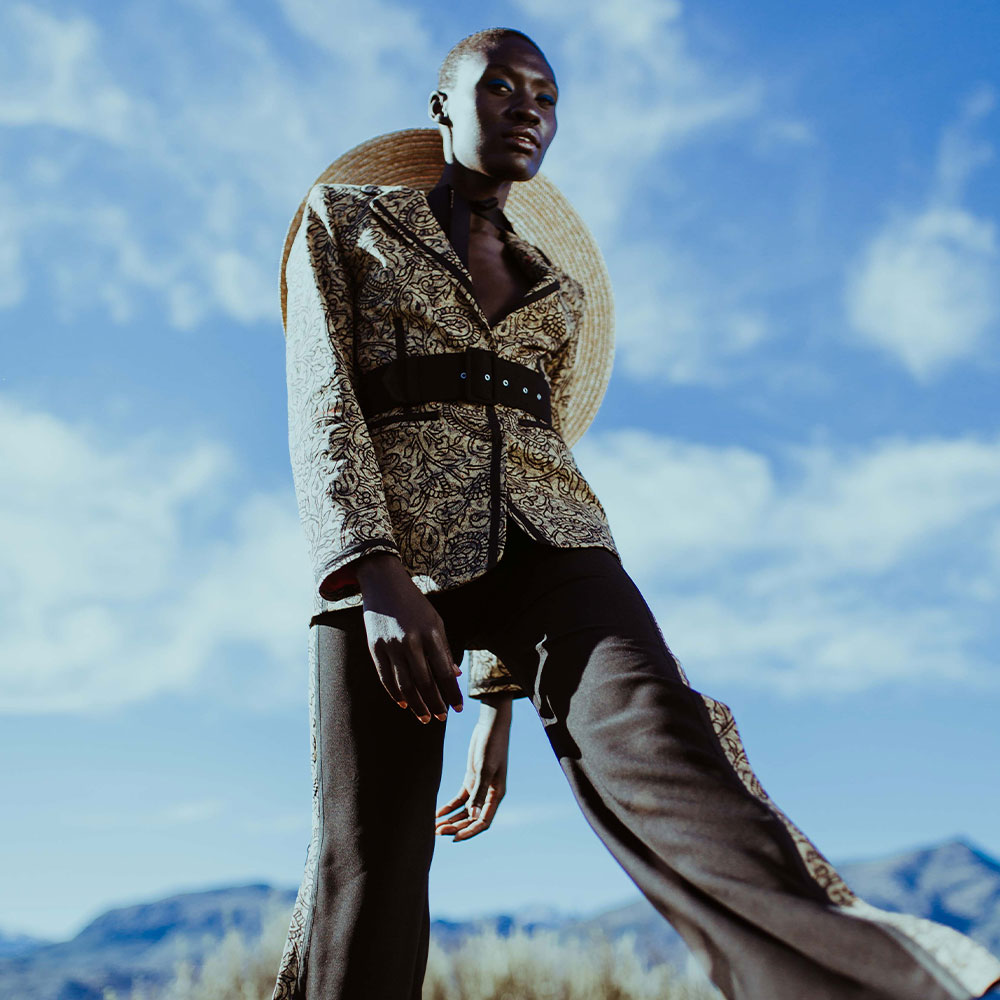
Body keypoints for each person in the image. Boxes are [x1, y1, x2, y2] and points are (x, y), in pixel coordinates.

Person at [271, 26, 1000, 1000]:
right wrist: (372, 571)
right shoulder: (346, 220)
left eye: (546, 95)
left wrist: (496, 707)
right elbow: (323, 401)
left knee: (670, 754)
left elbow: (542, 435)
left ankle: (891, 982)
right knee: (368, 859)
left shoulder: (558, 289)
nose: (529, 109)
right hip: (389, 558)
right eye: (502, 87)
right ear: (443, 104)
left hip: (557, 538)